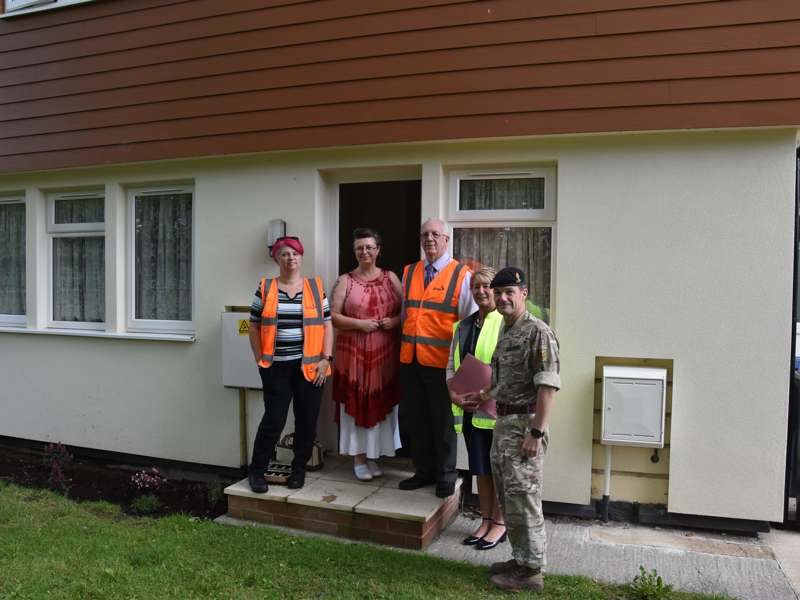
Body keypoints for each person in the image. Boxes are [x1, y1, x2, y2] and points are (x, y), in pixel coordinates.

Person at [480, 267, 560, 592]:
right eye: (498, 293)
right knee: (509, 498)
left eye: (509, 292)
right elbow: (506, 381)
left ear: (523, 293)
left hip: (525, 428)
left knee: (525, 499)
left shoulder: (537, 332)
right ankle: (521, 558)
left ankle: (531, 573)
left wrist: (536, 432)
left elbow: (548, 387)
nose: (502, 298)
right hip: (505, 425)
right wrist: (483, 395)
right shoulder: (505, 328)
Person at [247, 236, 333, 493]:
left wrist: (325, 359)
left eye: (294, 254)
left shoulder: (316, 288)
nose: (290, 258)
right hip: (275, 367)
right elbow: (254, 325)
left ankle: (298, 470)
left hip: (311, 368)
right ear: (276, 258)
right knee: (274, 420)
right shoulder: (265, 287)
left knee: (306, 421)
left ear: (301, 257)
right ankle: (257, 471)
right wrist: (260, 359)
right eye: (284, 254)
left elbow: (327, 324)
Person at [398, 218, 477, 498]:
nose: (429, 239)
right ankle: (423, 471)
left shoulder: (461, 275)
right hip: (411, 360)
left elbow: (469, 323)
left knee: (443, 422)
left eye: (435, 234)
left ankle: (446, 475)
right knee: (416, 420)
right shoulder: (409, 272)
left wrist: (463, 369)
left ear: (446, 239)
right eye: (424, 235)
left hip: (442, 364)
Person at [330, 228, 403, 481]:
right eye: (360, 248)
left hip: (384, 355)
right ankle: (358, 458)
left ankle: (373, 456)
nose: (365, 252)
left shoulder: (391, 277)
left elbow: (407, 310)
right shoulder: (345, 281)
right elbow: (333, 316)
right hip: (354, 356)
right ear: (355, 251)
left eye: (369, 247)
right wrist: (359, 324)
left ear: (378, 250)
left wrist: (394, 322)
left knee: (380, 403)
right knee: (357, 404)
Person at [446, 266, 506, 550]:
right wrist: (453, 394)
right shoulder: (462, 326)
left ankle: (500, 524)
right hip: (470, 410)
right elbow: (450, 366)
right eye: (476, 286)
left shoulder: (507, 323)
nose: (481, 291)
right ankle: (484, 520)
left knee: (499, 470)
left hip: (497, 414)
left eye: (487, 286)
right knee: (480, 468)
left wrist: (487, 393)